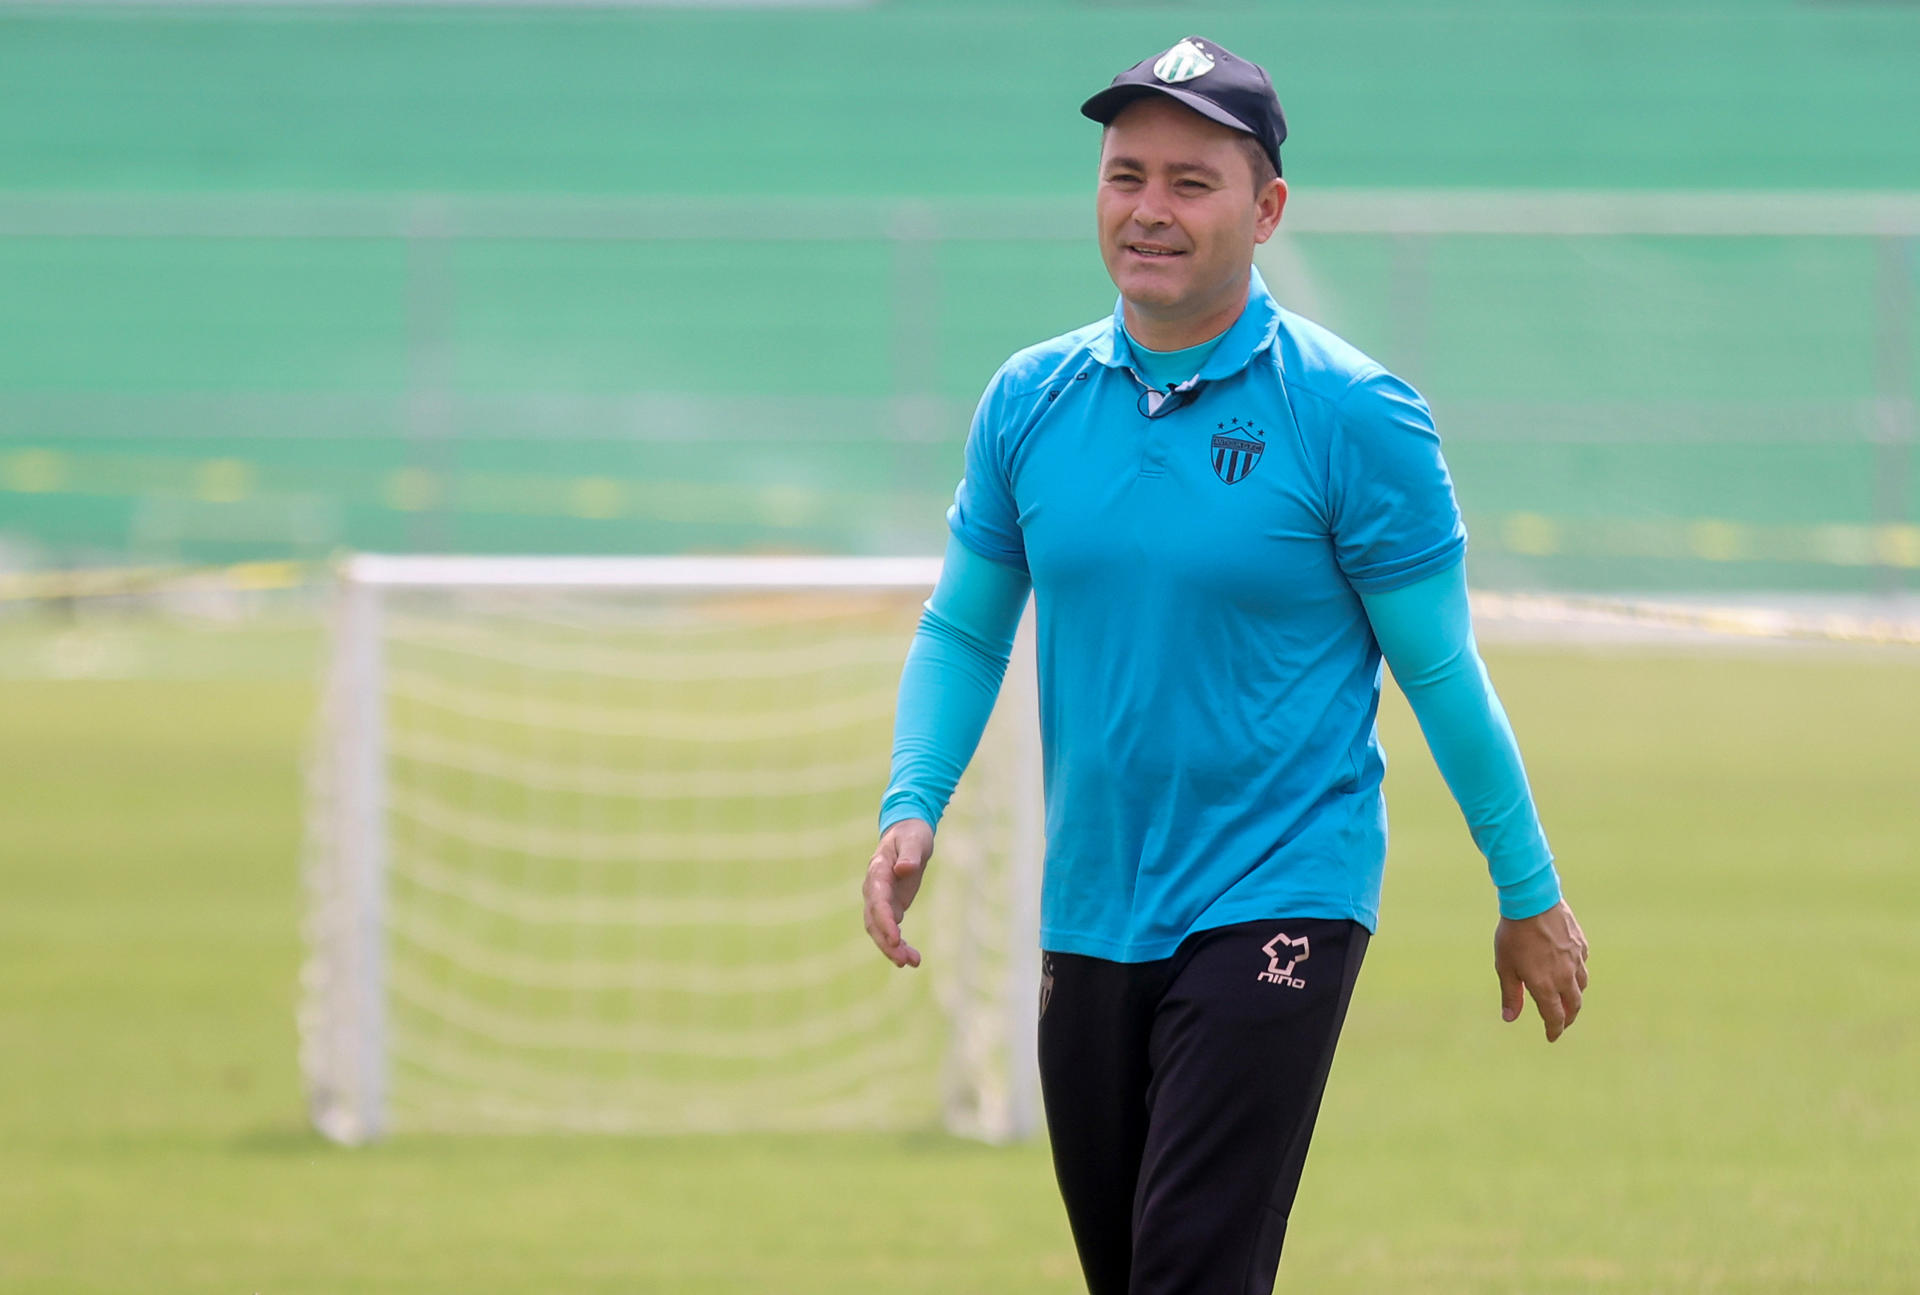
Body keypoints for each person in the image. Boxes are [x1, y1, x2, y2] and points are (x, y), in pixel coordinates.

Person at [860, 35, 1590, 1295]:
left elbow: (1441, 671)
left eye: (1191, 182)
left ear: (1266, 211)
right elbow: (967, 628)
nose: (1150, 209)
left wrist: (1526, 889)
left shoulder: (1355, 414)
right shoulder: (1028, 400)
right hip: (1091, 902)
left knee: (1190, 1270)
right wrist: (911, 801)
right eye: (1125, 174)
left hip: (1280, 891)